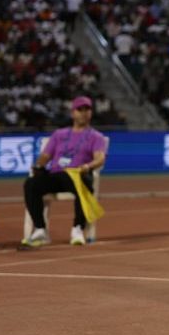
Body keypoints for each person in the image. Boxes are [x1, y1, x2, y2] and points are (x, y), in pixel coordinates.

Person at [21, 96, 108, 247]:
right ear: (73, 113)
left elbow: (100, 158)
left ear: (91, 113)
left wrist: (87, 166)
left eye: (87, 109)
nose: (84, 113)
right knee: (31, 183)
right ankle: (40, 229)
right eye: (80, 109)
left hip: (77, 174)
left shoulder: (96, 137)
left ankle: (77, 229)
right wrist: (37, 167)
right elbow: (45, 156)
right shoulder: (59, 134)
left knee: (84, 182)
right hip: (56, 175)